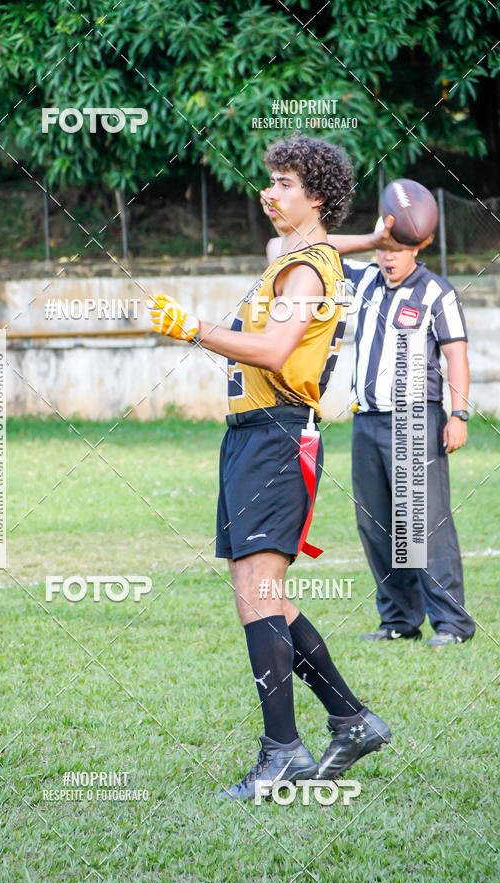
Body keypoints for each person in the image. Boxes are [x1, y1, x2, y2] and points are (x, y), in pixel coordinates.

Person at [148, 136, 391, 802]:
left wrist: (191, 328)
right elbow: (313, 246)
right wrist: (368, 239)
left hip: (277, 433)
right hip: (256, 435)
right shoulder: (296, 257)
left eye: (283, 183)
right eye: (271, 181)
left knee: (258, 592)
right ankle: (352, 719)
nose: (268, 192)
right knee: (265, 595)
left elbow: (278, 349)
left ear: (314, 197)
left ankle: (282, 751)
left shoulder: (305, 271)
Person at [327, 218, 476, 647]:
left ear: (418, 248)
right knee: (377, 525)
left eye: (397, 248)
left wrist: (459, 414)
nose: (387, 256)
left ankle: (452, 624)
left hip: (415, 418)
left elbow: (456, 357)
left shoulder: (436, 292)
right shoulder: (367, 281)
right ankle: (398, 620)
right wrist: (369, 238)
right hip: (366, 419)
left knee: (422, 524)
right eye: (383, 248)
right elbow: (310, 248)